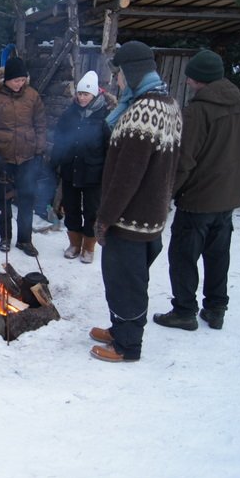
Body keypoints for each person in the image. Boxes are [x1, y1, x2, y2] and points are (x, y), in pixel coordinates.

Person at [88, 41, 182, 363]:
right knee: (131, 279)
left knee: (125, 282)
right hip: (150, 214)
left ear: (132, 72)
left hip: (130, 218)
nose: (116, 81)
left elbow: (126, 176)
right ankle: (120, 329)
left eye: (119, 74)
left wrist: (105, 218)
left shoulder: (142, 112)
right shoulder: (168, 104)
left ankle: (127, 346)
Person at [153, 50, 240, 331]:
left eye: (191, 77)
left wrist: (167, 195)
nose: (187, 81)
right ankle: (216, 309)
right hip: (228, 196)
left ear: (201, 79)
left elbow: (184, 159)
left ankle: (184, 311)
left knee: (183, 256)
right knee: (218, 254)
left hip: (199, 198)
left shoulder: (198, 111)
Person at [0, 55, 47, 256]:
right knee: (4, 199)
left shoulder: (32, 96)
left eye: (22, 80)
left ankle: (25, 240)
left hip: (27, 158)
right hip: (2, 159)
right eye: (16, 80)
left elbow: (40, 125)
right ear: (6, 79)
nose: (19, 84)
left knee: (27, 199)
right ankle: (5, 237)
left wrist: (39, 151)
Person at [51, 70, 111, 263]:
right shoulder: (69, 115)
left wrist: (108, 173)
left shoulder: (104, 117)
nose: (82, 97)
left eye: (86, 94)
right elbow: (59, 139)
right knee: (71, 208)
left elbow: (110, 147)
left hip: (94, 173)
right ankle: (75, 243)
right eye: (79, 93)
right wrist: (55, 163)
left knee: (92, 211)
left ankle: (88, 247)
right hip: (71, 169)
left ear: (95, 94)